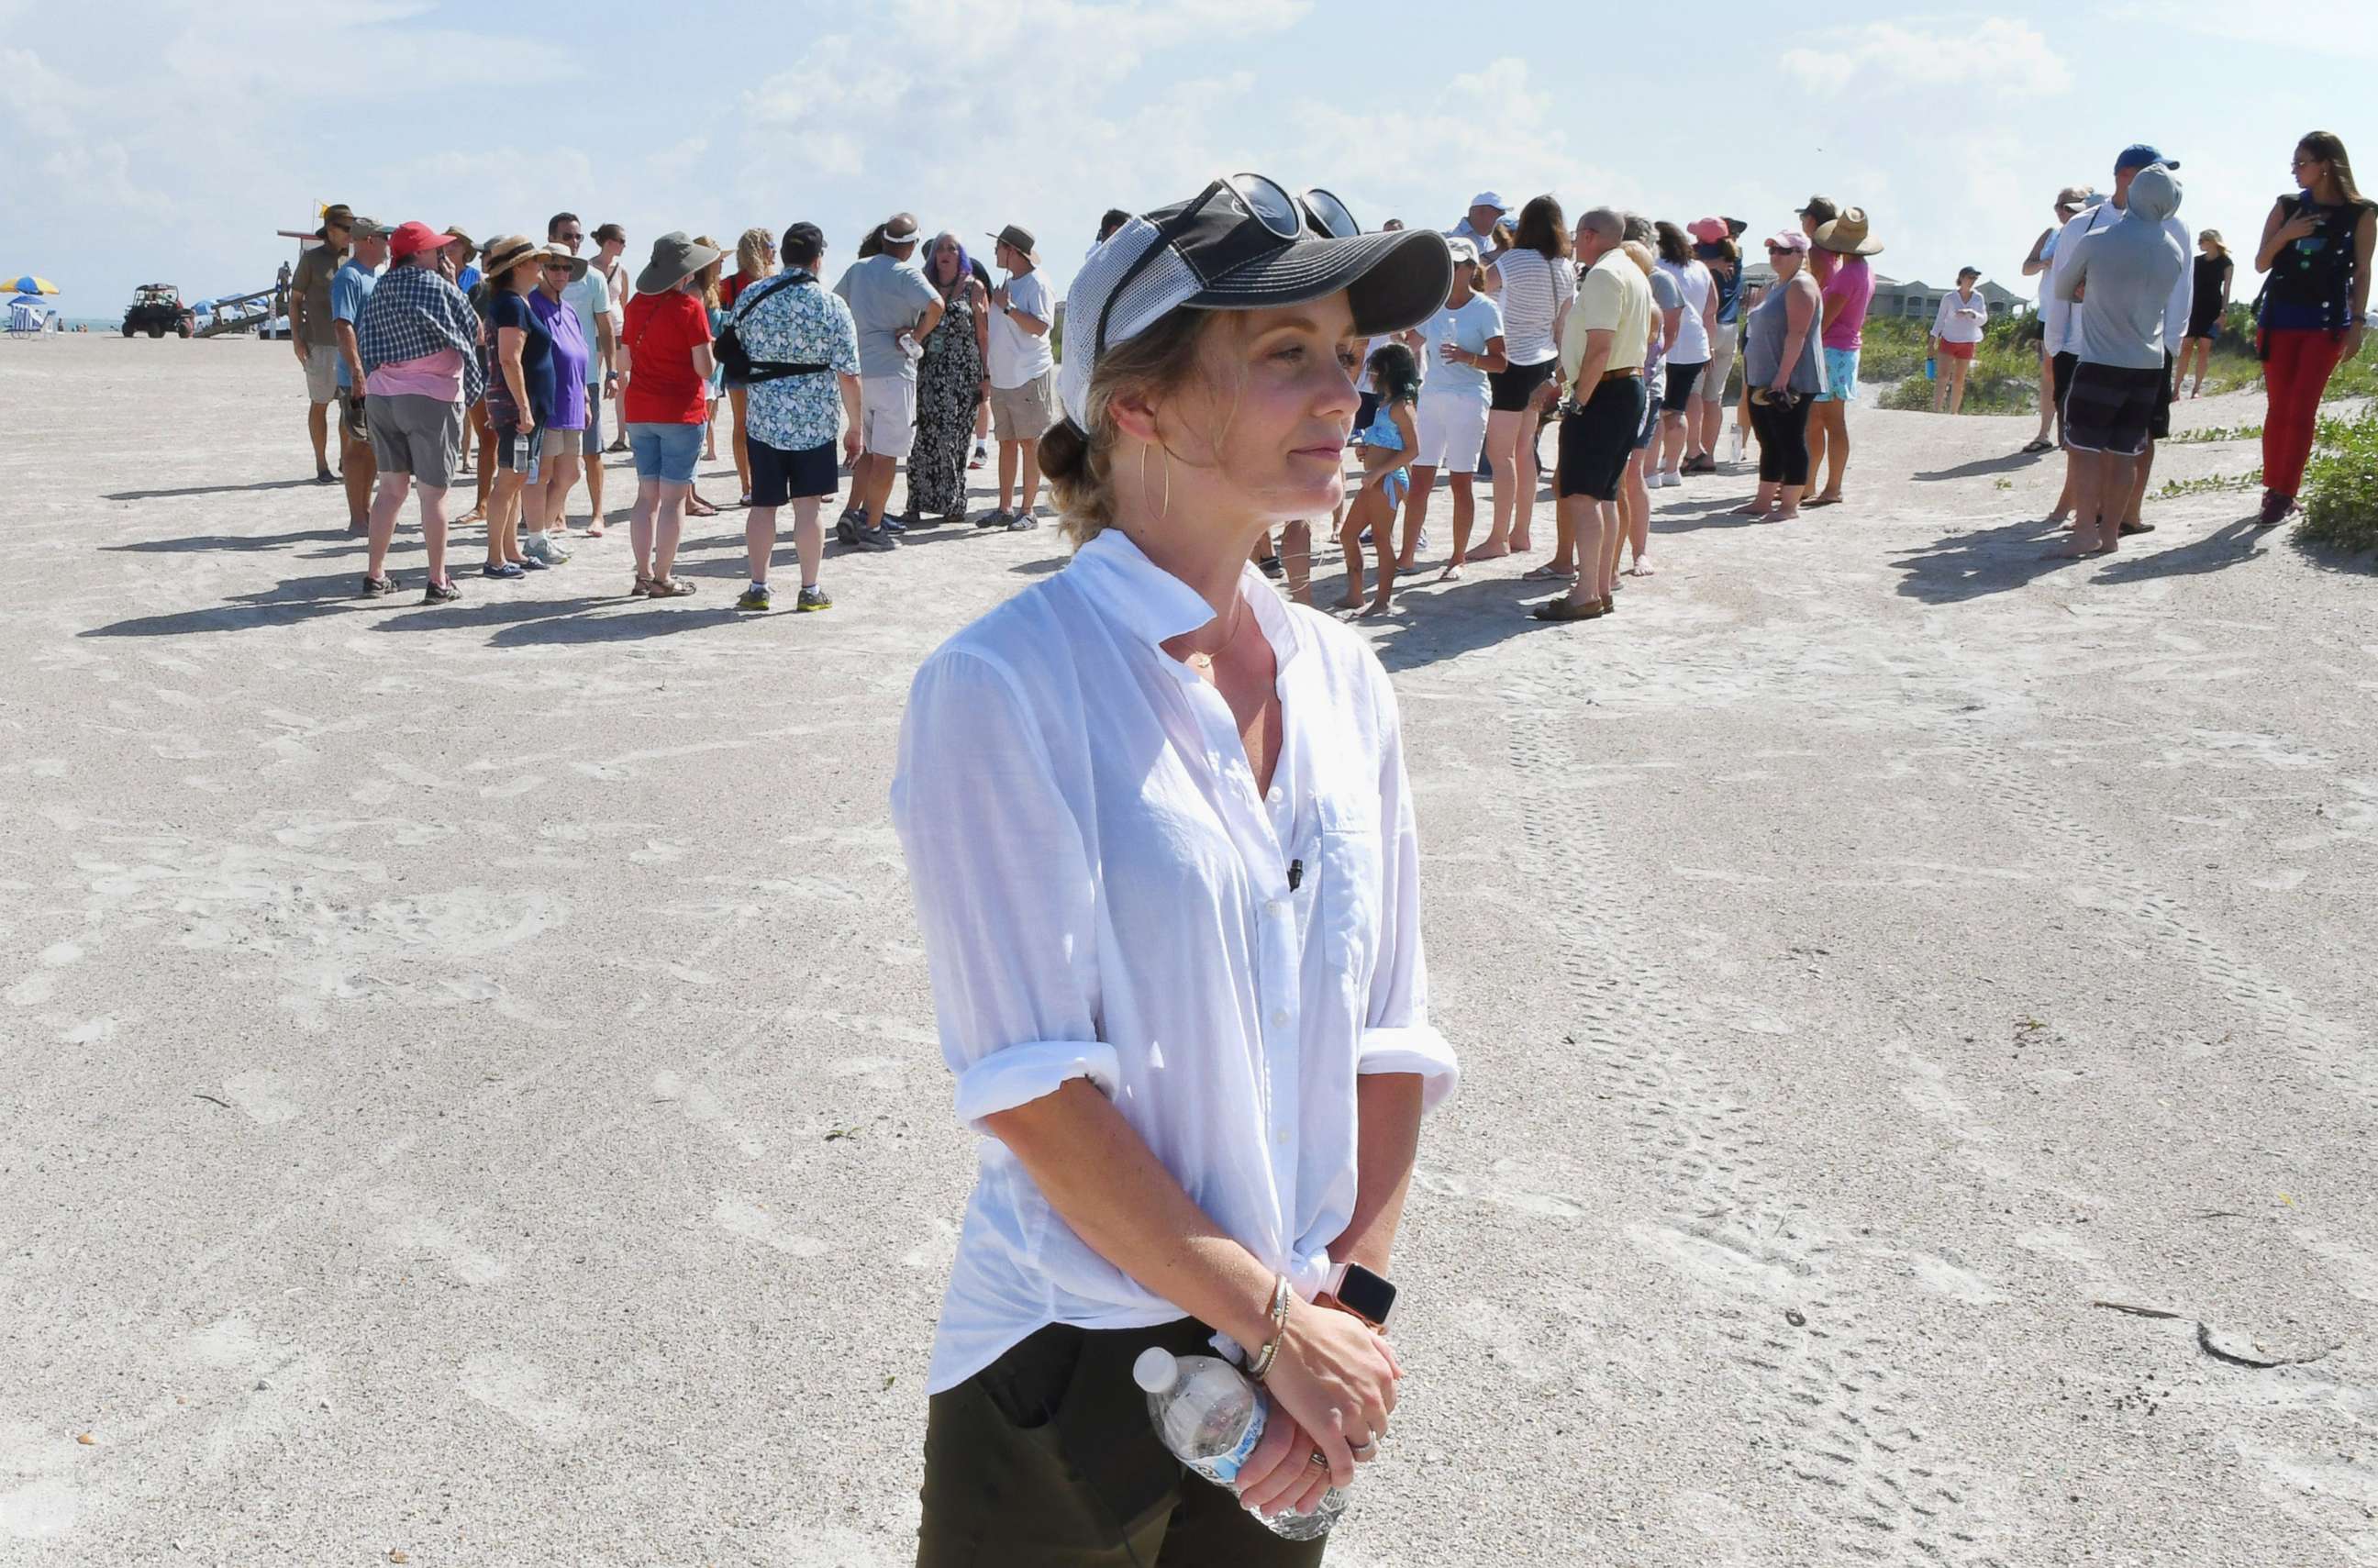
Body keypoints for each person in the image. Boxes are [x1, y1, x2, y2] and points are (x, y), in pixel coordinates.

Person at [894, 175, 1456, 1566]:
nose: (1345, 393)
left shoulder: (1344, 678)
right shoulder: (1005, 684)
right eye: (1286, 357)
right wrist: (1271, 1328)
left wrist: (1346, 1314)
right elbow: (1032, 1088)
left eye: (1350, 355)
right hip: (1077, 1357)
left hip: (1302, 1355)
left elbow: (1390, 1035)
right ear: (1134, 407)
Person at [2045, 147, 2193, 538]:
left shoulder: (2097, 236)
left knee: (2088, 448)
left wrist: (2088, 290)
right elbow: (2173, 296)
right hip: (2143, 359)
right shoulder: (2171, 245)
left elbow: (2063, 288)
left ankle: (2090, 530)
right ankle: (2108, 531)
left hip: (2102, 356)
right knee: (2128, 447)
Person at [732, 221, 862, 613]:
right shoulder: (832, 305)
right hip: (815, 422)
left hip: (765, 419)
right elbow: (849, 374)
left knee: (763, 507)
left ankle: (758, 586)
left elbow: (736, 349)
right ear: (818, 259)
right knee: (809, 508)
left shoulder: (751, 295)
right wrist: (856, 426)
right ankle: (809, 589)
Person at [354, 220, 483, 604]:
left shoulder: (381, 287)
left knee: (390, 491)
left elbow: (366, 338)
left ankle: (375, 574)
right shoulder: (437, 286)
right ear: (422, 253)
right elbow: (474, 332)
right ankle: (438, 580)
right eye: (436, 249)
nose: (442, 254)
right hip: (430, 397)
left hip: (382, 396)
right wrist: (452, 283)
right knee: (433, 495)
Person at [2253, 130, 2375, 526]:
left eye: (2301, 162)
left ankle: (2285, 493)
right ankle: (2273, 488)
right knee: (2279, 408)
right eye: (2294, 162)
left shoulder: (2362, 213)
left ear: (2325, 165)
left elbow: (2361, 270)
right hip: (2278, 322)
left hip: (2326, 327)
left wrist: (2357, 324)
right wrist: (2287, 235)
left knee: (2302, 408)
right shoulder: (2286, 206)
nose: (2294, 170)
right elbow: (2260, 263)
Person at [1535, 206, 1650, 622]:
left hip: (1605, 390)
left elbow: (1599, 347)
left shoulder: (1603, 275)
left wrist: (1578, 400)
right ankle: (1599, 588)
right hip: (1624, 387)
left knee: (1583, 496)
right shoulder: (1632, 271)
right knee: (1603, 495)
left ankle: (1585, 594)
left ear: (1588, 235)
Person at [833, 213, 944, 550]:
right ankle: (873, 525)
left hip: (860, 372)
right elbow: (936, 305)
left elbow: (838, 304)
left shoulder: (858, 269)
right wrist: (917, 335)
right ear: (910, 246)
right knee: (886, 457)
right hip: (894, 371)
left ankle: (855, 512)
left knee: (866, 451)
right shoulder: (907, 273)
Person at [620, 232, 720, 598]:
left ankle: (643, 575)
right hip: (680, 412)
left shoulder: (635, 306)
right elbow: (705, 369)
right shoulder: (689, 308)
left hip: (640, 409)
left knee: (646, 496)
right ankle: (663, 577)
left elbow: (625, 360)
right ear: (685, 272)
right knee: (674, 499)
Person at [1474, 195, 1573, 562]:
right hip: (1544, 360)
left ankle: (1498, 536)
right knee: (1524, 450)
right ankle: (1521, 532)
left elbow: (1479, 289)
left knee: (1500, 455)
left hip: (1512, 362)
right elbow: (1563, 323)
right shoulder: (1564, 266)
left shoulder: (1513, 260)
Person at [477, 234, 558, 581]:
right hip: (516, 409)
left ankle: (510, 551)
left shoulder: (516, 302)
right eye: (535, 261)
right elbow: (510, 360)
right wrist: (524, 407)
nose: (541, 266)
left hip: (525, 408)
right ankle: (495, 558)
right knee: (509, 479)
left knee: (517, 477)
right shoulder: (511, 304)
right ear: (520, 267)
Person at [1732, 232, 1825, 521]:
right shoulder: (1776, 285)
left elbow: (1798, 334)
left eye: (1783, 251)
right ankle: (1763, 500)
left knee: (1790, 439)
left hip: (1791, 378)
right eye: (1772, 249)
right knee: (1768, 440)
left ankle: (1789, 506)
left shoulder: (1801, 285)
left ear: (1800, 253)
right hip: (1764, 376)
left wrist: (1783, 376)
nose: (1775, 256)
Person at [909, 231, 990, 526]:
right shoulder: (923, 286)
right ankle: (916, 502)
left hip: (962, 374)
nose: (945, 253)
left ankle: (954, 502)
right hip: (929, 371)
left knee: (954, 439)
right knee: (925, 437)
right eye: (940, 249)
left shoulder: (975, 288)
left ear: (961, 255)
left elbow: (983, 334)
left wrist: (986, 375)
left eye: (952, 249)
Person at [984, 222, 1060, 531]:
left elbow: (1042, 327)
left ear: (1012, 251)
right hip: (1003, 377)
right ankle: (1005, 507)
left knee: (1030, 442)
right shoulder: (1007, 283)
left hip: (1028, 374)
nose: (994, 252)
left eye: (998, 246)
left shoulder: (1037, 284)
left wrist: (1008, 308)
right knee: (1006, 442)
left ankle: (1028, 510)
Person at [1337, 342, 1422, 613]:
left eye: (1375, 370)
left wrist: (1378, 471)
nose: (1370, 375)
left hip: (1386, 481)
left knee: (1382, 540)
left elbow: (1413, 449)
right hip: (1374, 479)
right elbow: (1389, 440)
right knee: (1349, 534)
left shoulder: (1401, 406)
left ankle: (1383, 601)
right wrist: (1367, 450)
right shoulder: (1386, 403)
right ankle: (1355, 593)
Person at [550, 213, 620, 536]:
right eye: (567, 236)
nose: (574, 242)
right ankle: (558, 514)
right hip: (551, 375)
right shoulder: (543, 273)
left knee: (593, 450)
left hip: (587, 373)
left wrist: (612, 371)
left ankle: (597, 513)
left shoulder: (592, 277)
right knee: (555, 450)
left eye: (577, 237)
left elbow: (605, 326)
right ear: (553, 236)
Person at [1805, 206, 1880, 507]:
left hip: (1832, 349)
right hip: (1842, 350)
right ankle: (1815, 484)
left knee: (1828, 420)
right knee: (1821, 420)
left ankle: (1829, 486)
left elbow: (1827, 320)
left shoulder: (1848, 275)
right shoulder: (1862, 271)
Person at [526, 243, 591, 562]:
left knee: (570, 474)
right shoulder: (532, 306)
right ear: (541, 269)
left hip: (574, 402)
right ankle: (536, 538)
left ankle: (542, 535)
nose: (562, 273)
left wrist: (587, 398)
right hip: (547, 404)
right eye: (554, 267)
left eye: (567, 268)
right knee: (542, 473)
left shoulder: (570, 311)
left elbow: (579, 357)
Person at [2022, 186, 2095, 452]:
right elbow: (2026, 267)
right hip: (2049, 311)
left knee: (2080, 369)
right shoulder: (2051, 234)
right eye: (2059, 206)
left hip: (2079, 312)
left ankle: (2076, 428)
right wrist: (2045, 263)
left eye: (2067, 205)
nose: (2061, 211)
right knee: (2049, 371)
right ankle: (2043, 433)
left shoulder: (2091, 229)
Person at [329, 218, 390, 536]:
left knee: (374, 446)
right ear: (368, 240)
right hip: (357, 375)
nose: (388, 243)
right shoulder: (349, 276)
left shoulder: (376, 275)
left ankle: (366, 511)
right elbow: (343, 325)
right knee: (357, 445)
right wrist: (356, 372)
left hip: (379, 374)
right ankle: (357, 516)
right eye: (384, 237)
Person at [291, 204, 355, 484]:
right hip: (319, 342)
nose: (351, 234)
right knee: (320, 403)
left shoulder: (352, 261)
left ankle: (346, 461)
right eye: (346, 229)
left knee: (347, 407)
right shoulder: (311, 260)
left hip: (348, 344)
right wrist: (296, 339)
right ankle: (321, 464)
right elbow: (294, 301)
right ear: (331, 230)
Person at [1650, 220, 1716, 486]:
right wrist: (1709, 346)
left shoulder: (1656, 268)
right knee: (1677, 410)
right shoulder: (1700, 268)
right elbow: (1711, 309)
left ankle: (1650, 471)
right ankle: (1672, 470)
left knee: (1655, 412)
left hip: (1666, 345)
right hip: (1695, 346)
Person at [721, 228, 779, 506]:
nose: (775, 251)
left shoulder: (732, 284)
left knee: (750, 425)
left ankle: (756, 484)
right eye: (771, 245)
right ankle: (749, 484)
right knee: (748, 425)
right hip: (752, 365)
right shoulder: (730, 285)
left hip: (749, 365)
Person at [1687, 217, 1744, 471]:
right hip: (1729, 327)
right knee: (1714, 398)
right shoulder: (1735, 254)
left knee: (1693, 393)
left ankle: (1691, 451)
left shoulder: (1695, 255)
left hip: (1705, 328)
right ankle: (1708, 455)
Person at [2175, 231, 2232, 397]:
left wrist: (2224, 312)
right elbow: (2185, 285)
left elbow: (2227, 289)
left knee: (2204, 350)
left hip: (2213, 309)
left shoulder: (2226, 263)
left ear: (2212, 242)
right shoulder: (2196, 262)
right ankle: (2176, 390)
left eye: (2202, 240)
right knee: (2185, 348)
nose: (2199, 243)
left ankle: (2196, 389)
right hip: (2193, 308)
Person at [593, 224, 632, 454]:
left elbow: (623, 303)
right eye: (622, 241)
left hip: (618, 330)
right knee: (592, 382)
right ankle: (595, 436)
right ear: (610, 242)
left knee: (623, 384)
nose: (625, 246)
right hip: (595, 331)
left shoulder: (622, 270)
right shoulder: (589, 267)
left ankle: (621, 436)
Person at [1929, 267, 1989, 414]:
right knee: (1942, 376)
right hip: (1949, 339)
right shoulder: (1949, 297)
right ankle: (1936, 410)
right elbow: (1940, 319)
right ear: (1961, 278)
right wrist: (1932, 339)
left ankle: (1953, 412)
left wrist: (1971, 313)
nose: (1972, 281)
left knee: (1959, 379)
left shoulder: (1978, 298)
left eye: (1975, 278)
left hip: (1968, 341)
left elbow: (1983, 319)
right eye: (1970, 277)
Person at [1447, 192, 1509, 294]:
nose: (1503, 217)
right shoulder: (1448, 238)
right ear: (1480, 211)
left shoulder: (1491, 242)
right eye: (1499, 213)